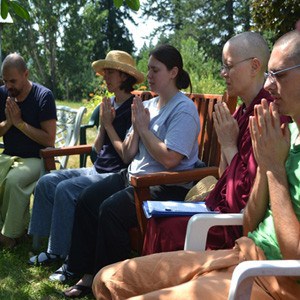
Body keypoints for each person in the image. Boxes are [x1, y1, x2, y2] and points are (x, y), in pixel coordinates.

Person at [93, 29, 300, 300]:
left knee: (155, 225)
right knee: (105, 281)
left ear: (253, 66)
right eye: (270, 75)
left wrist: (260, 162)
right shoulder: (280, 130)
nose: (270, 85)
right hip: (242, 251)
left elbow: (239, 202)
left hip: (271, 277)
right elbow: (247, 216)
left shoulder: (271, 121)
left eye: (279, 74)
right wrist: (254, 158)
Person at [62, 44, 201, 298]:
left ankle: (115, 282)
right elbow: (127, 154)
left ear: (173, 72)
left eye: (155, 69)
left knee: (110, 210)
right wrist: (136, 128)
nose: (148, 74)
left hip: (165, 185)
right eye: (148, 68)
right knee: (87, 200)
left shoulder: (184, 109)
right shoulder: (148, 104)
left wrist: (144, 129)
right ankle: (87, 273)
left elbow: (171, 160)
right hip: (134, 177)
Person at [143, 31, 278, 255]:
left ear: (255, 66)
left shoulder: (266, 114)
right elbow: (224, 175)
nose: (223, 73)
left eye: (229, 66)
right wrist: (228, 144)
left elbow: (243, 202)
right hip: (220, 208)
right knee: (159, 220)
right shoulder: (242, 111)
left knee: (165, 228)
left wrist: (227, 144)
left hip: (237, 226)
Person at [28, 50, 144, 281]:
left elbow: (125, 158)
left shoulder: (135, 108)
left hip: (114, 174)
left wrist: (109, 125)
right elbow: (96, 151)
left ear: (123, 76)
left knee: (66, 189)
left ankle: (60, 252)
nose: (105, 78)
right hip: (97, 168)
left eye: (109, 73)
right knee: (47, 181)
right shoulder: (109, 103)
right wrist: (102, 126)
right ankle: (41, 241)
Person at [0, 53, 57, 248]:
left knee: (13, 181)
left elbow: (49, 139)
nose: (8, 86)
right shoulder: (3, 94)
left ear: (26, 74)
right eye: (5, 81)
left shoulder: (43, 96)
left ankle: (11, 235)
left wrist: (20, 124)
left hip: (36, 158)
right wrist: (9, 122)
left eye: (13, 81)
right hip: (8, 156)